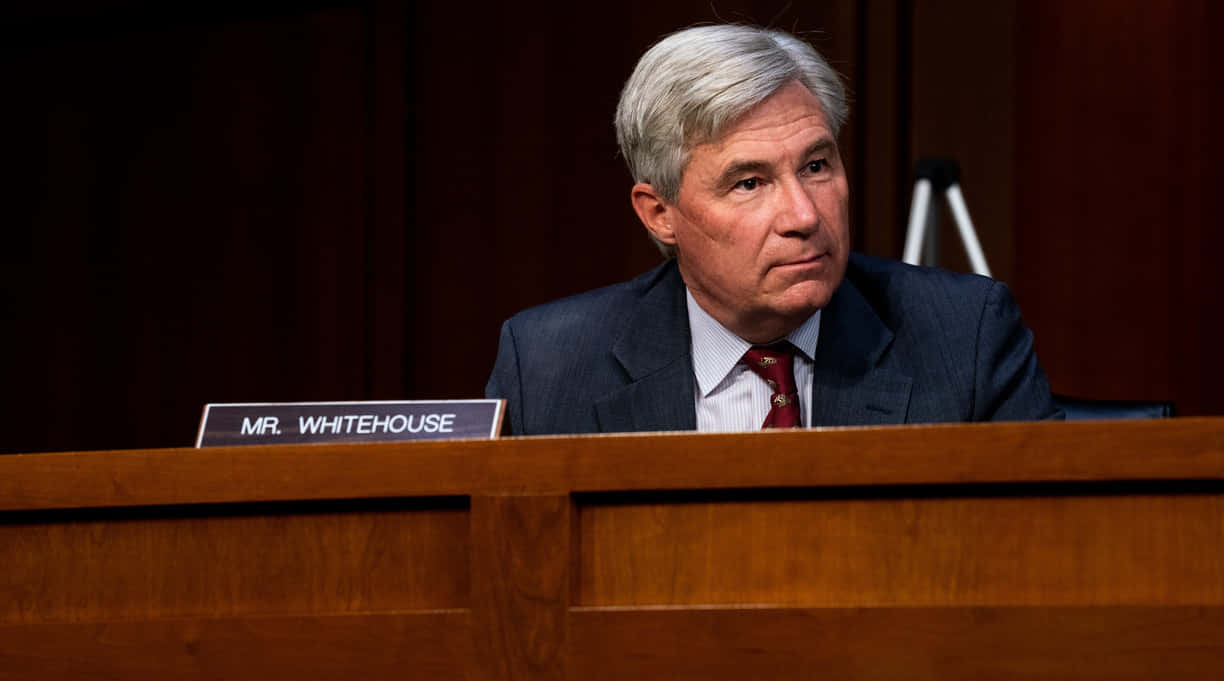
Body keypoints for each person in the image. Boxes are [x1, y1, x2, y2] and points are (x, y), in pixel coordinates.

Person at [486, 24, 1061, 435]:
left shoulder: (965, 337)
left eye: (816, 166)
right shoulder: (548, 367)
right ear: (659, 213)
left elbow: (1049, 559)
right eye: (749, 183)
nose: (804, 217)